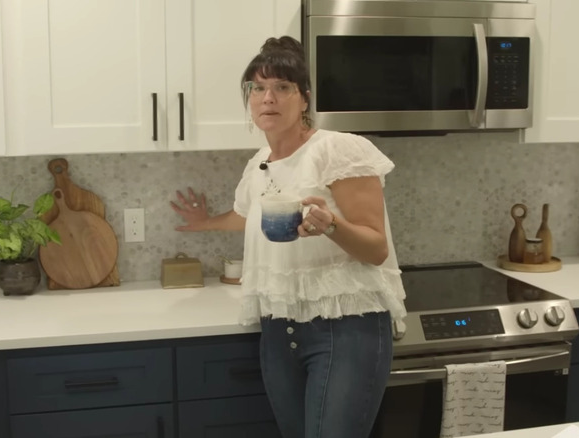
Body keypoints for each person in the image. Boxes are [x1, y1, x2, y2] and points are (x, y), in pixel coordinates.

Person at [170, 36, 406, 438]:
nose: (268, 98)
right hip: (281, 330)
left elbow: (375, 247)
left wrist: (330, 224)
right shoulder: (259, 164)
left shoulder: (338, 150)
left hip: (346, 327)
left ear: (304, 98)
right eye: (258, 88)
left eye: (282, 87)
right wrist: (204, 222)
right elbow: (248, 215)